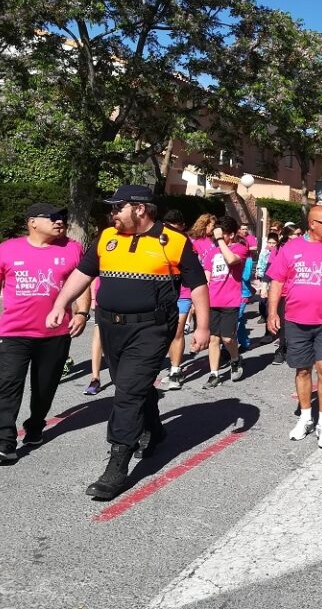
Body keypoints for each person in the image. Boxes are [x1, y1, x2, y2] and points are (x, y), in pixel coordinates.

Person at [47, 185, 209, 499]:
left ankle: (117, 464)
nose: (112, 214)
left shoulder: (174, 241)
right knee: (129, 385)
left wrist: (202, 327)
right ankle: (155, 429)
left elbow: (198, 286)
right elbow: (83, 273)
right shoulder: (107, 237)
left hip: (151, 329)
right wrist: (60, 303)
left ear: (139, 208)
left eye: (117, 207)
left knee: (127, 392)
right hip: (110, 326)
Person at [0, 203, 90, 462]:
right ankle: (3, 442)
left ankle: (35, 425)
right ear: (32, 222)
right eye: (53, 217)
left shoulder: (72, 248)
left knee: (44, 388)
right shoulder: (8, 249)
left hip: (55, 334)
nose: (59, 221)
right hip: (13, 333)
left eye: (62, 217)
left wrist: (81, 313)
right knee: (9, 384)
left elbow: (83, 283)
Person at [267, 206, 322, 449]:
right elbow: (277, 282)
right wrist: (272, 312)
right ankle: (306, 417)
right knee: (303, 370)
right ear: (312, 224)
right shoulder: (291, 248)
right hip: (296, 320)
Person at [201, 216, 250, 388]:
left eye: (222, 235)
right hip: (213, 301)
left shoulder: (240, 248)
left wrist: (221, 240)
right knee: (214, 339)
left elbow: (231, 260)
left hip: (230, 301)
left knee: (228, 338)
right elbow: (207, 278)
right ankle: (214, 374)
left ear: (231, 235)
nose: (217, 238)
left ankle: (235, 359)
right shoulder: (212, 253)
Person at [161, 209, 190, 390]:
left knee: (178, 332)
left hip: (183, 293)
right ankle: (172, 364)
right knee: (168, 333)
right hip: (164, 294)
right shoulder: (158, 241)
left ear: (182, 227)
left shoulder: (185, 243)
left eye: (174, 228)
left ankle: (175, 371)